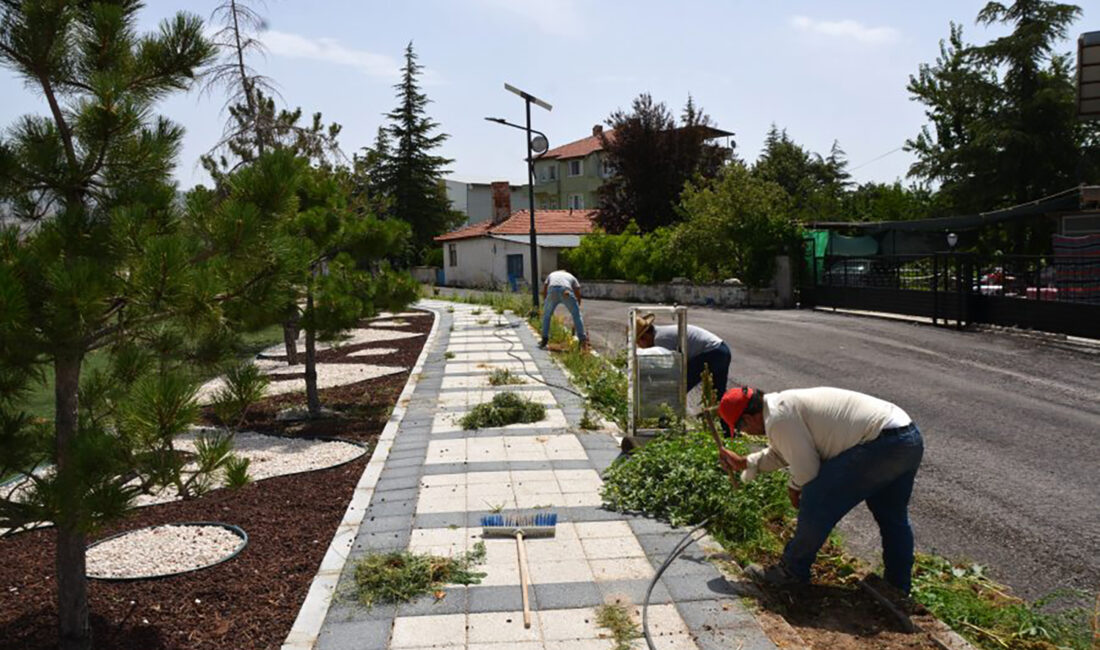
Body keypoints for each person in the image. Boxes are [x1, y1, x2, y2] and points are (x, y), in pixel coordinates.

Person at [716, 386, 924, 594]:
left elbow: (806, 470)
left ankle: (791, 571)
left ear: (749, 419)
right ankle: (898, 587)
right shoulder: (781, 406)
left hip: (881, 443)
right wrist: (745, 463)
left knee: (816, 496)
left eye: (741, 428)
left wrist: (794, 487)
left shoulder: (779, 419)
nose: (746, 432)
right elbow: (783, 453)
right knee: (892, 516)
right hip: (907, 439)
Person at [635, 314, 733, 434]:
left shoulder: (660, 339)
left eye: (639, 343)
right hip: (722, 350)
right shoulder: (661, 333)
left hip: (710, 352)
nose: (642, 347)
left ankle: (665, 425)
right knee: (719, 394)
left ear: (644, 337)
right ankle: (730, 431)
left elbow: (671, 369)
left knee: (677, 389)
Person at [540, 269, 586, 349]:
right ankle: (582, 340)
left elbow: (545, 287)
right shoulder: (571, 276)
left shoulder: (552, 274)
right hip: (566, 292)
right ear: (566, 272)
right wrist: (578, 303)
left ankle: (544, 339)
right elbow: (577, 290)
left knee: (547, 316)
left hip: (552, 291)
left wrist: (545, 300)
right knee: (577, 316)